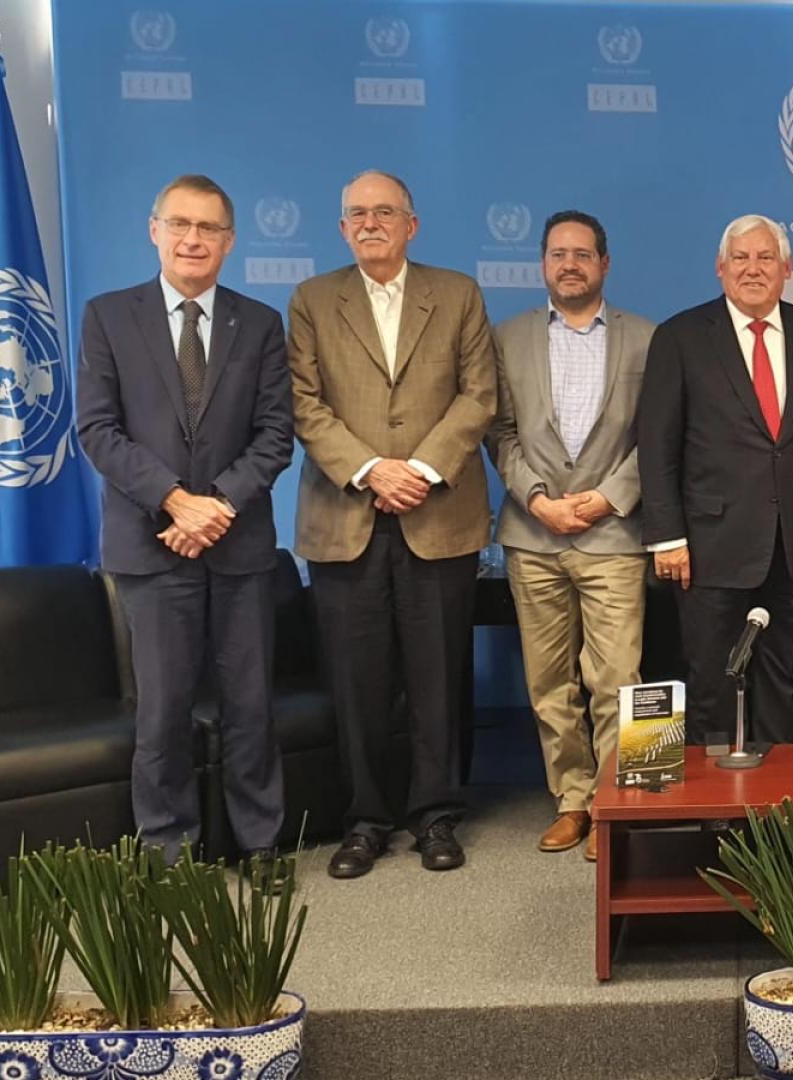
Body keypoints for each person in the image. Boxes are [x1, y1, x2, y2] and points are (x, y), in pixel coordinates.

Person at [76, 173, 292, 864]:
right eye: (180, 225)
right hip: (150, 545)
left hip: (239, 547)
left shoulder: (258, 324)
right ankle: (168, 849)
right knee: (162, 713)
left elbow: (275, 435)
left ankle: (260, 845)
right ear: (155, 230)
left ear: (229, 242)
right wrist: (174, 500)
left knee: (251, 706)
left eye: (208, 229)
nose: (192, 239)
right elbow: (98, 430)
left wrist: (217, 506)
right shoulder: (108, 316)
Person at [287, 170, 497, 878]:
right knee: (358, 679)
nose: (371, 223)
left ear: (412, 224)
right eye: (357, 214)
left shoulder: (459, 292)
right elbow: (304, 403)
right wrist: (373, 469)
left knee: (437, 674)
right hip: (345, 515)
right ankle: (366, 819)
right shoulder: (313, 299)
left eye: (385, 212)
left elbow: (479, 395)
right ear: (342, 229)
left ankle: (436, 815)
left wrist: (422, 469)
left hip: (438, 513)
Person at [486, 210, 654, 861]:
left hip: (614, 531)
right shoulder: (508, 339)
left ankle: (622, 803)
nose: (570, 265)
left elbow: (657, 437)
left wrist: (609, 497)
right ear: (542, 264)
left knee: (620, 677)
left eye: (582, 254)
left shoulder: (646, 338)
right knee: (549, 681)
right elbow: (498, 431)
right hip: (534, 534)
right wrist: (535, 498)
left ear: (604, 264)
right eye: (558, 254)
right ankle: (574, 799)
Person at [636, 214, 793, 747]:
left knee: (788, 681)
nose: (753, 269)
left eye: (765, 258)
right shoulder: (680, 336)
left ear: (787, 268)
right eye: (741, 259)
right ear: (720, 269)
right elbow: (657, 443)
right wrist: (667, 536)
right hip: (710, 546)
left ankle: (779, 814)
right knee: (713, 682)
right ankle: (718, 818)